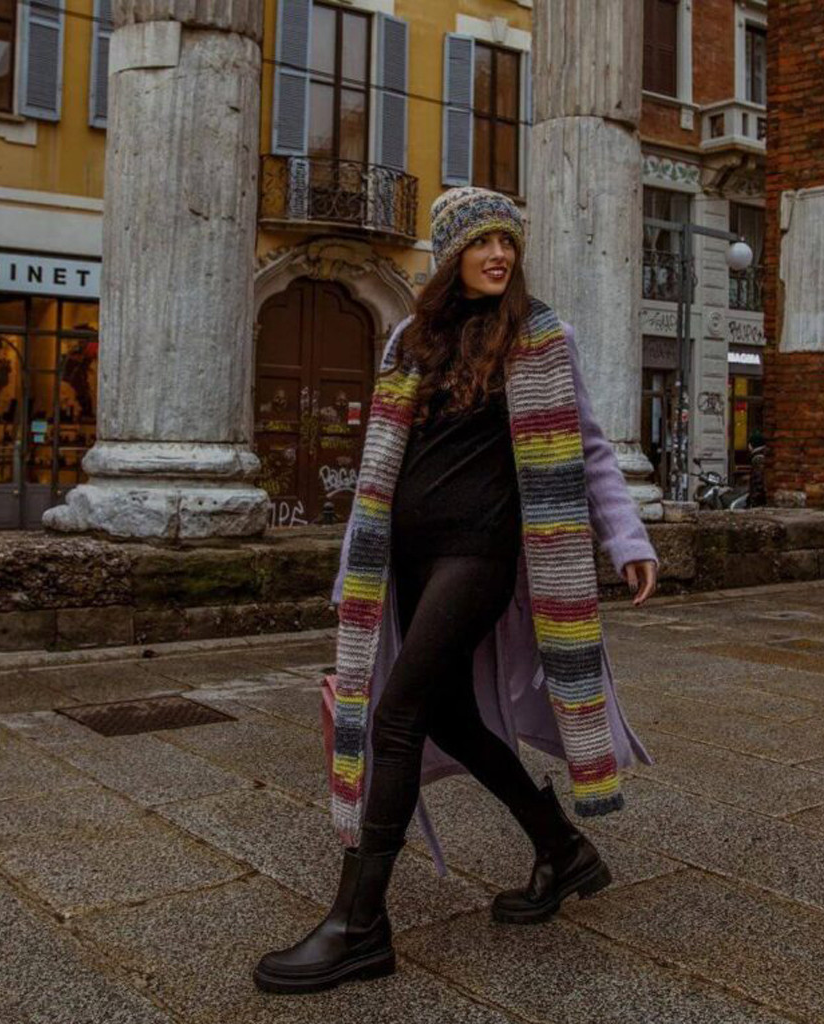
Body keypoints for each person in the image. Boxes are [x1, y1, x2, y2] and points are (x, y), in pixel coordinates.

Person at [254, 187, 659, 996]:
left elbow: (587, 446)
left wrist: (626, 537)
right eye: (481, 243)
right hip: (404, 557)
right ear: (452, 256)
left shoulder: (542, 337)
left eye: (507, 242)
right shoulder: (409, 339)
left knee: (395, 716)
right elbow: (379, 468)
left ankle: (360, 924)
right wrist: (353, 572)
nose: (498, 255)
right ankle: (562, 849)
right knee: (449, 715)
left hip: (481, 555)